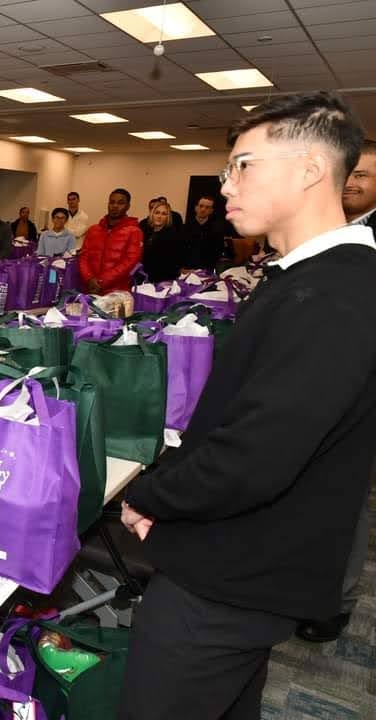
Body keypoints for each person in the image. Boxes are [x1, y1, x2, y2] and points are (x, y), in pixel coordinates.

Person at [118, 91, 376, 719]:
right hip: (242, 560)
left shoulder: (335, 293)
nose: (225, 184)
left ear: (310, 169)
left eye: (243, 165)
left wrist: (149, 495)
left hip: (230, 580)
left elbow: (254, 457)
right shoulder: (305, 277)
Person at [293, 139, 376, 644]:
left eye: (363, 174)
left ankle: (334, 603)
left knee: (346, 495)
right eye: (349, 171)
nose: (351, 181)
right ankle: (305, 586)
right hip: (319, 379)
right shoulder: (331, 228)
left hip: (358, 388)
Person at [77, 188, 142, 293]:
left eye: (120, 203)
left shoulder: (134, 232)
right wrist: (89, 278)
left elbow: (129, 262)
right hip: (90, 288)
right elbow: (83, 257)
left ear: (128, 206)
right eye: (112, 202)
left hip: (117, 292)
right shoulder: (93, 230)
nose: (115, 206)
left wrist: (101, 281)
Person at [180, 195, 234, 272]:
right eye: (201, 206)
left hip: (207, 271)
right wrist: (183, 269)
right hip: (186, 270)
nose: (203, 209)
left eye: (207, 207)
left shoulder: (217, 231)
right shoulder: (184, 228)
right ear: (196, 208)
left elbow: (217, 253)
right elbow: (179, 251)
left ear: (211, 211)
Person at [140, 200, 184, 283]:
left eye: (164, 214)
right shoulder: (147, 231)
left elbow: (172, 264)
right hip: (145, 278)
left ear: (168, 217)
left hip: (162, 281)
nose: (159, 216)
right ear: (152, 214)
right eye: (157, 213)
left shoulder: (172, 236)